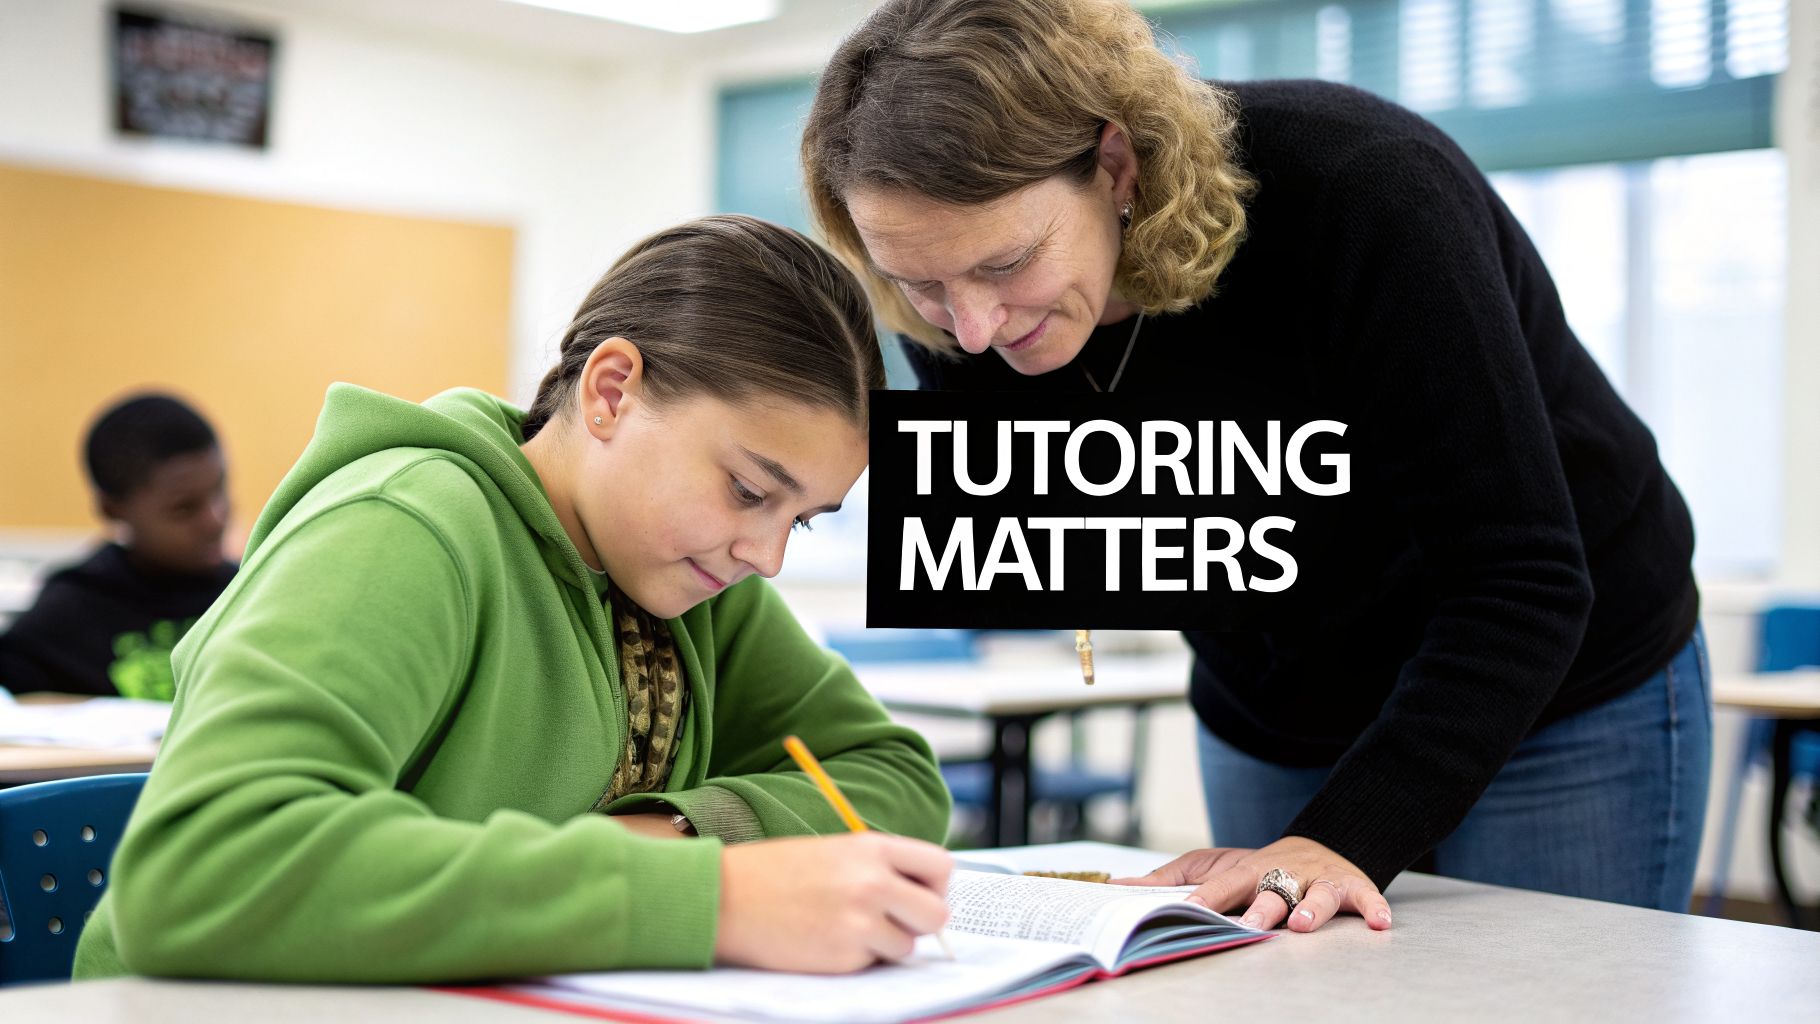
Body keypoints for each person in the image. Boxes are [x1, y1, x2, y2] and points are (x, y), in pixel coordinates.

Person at [802, 0, 1708, 931]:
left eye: (1008, 264)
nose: (974, 329)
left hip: (1557, 684)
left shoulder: (1365, 190)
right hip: (1275, 698)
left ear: (1115, 165)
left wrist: (1348, 831)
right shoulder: (950, 298)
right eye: (921, 284)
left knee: (1546, 995)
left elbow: (1522, 577)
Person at [74, 215, 953, 981]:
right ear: (613, 392)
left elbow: (898, 780)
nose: (765, 556)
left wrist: (683, 833)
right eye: (749, 491)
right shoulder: (404, 528)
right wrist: (706, 899)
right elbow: (204, 870)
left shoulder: (688, 576)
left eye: (801, 521)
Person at [0, 393, 236, 699]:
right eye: (184, 509)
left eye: (220, 490)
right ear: (112, 509)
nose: (215, 520)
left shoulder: (247, 592)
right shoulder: (68, 613)